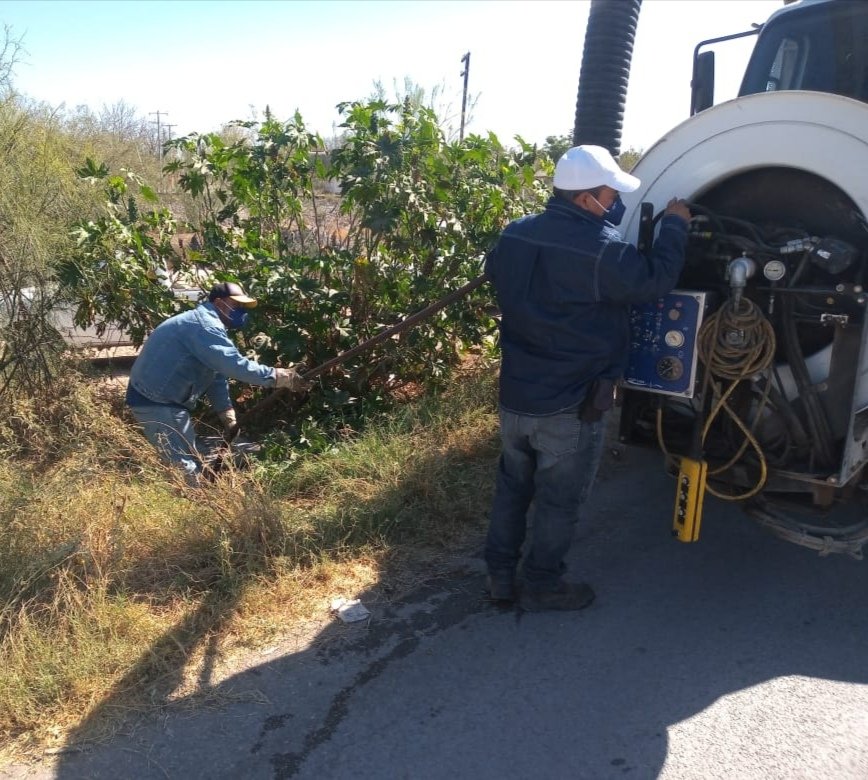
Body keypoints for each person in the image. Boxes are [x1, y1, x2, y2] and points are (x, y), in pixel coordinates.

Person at [484, 144, 692, 611]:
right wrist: (675, 226)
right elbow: (655, 281)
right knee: (559, 500)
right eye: (609, 194)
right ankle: (541, 584)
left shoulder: (515, 235)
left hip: (516, 396)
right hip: (571, 405)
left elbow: (496, 272)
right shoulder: (605, 254)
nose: (615, 202)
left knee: (513, 486)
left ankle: (499, 576)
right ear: (585, 200)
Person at [125, 281, 308, 485]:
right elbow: (233, 365)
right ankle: (197, 507)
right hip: (155, 400)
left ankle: (200, 497)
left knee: (189, 453)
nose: (241, 311)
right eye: (237, 305)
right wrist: (279, 377)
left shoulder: (207, 324)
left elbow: (216, 373)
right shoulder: (204, 327)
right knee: (182, 462)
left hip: (163, 398)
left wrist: (226, 413)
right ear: (220, 303)